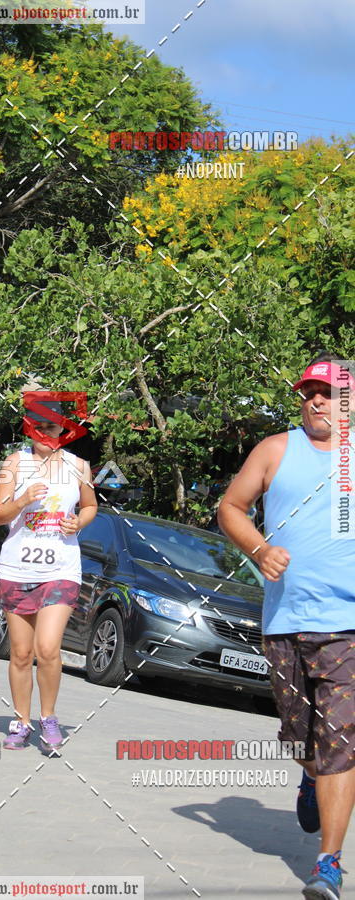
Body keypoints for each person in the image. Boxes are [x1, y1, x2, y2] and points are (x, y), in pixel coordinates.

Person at [218, 359, 355, 900]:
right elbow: (230, 506)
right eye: (309, 393)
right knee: (303, 740)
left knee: (341, 744)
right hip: (285, 623)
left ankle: (329, 863)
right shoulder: (275, 449)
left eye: (328, 393)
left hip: (348, 626)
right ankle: (307, 771)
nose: (316, 401)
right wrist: (259, 547)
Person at [0, 396, 97, 751]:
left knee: (48, 648)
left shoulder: (78, 466)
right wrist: (21, 502)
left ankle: (48, 719)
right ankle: (21, 722)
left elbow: (91, 505)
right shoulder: (14, 463)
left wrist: (77, 521)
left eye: (52, 427)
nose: (44, 434)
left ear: (64, 430)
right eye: (38, 427)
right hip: (18, 567)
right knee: (21, 653)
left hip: (61, 568)